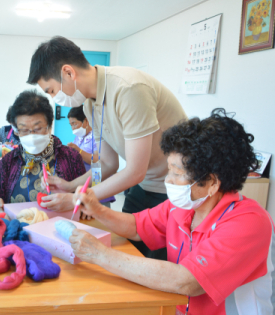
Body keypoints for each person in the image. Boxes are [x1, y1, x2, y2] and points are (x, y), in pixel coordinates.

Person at [69, 109, 274, 315]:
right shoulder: (184, 207)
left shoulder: (249, 222)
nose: (168, 180)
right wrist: (97, 210)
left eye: (177, 173)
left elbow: (188, 281)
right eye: (169, 170)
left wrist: (99, 254)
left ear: (212, 182)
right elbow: (136, 226)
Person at [27, 36, 187, 260]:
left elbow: (135, 170)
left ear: (69, 73)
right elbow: (108, 164)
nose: (54, 98)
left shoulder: (128, 89)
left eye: (51, 90)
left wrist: (77, 198)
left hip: (176, 191)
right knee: (130, 254)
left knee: (156, 266)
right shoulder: (91, 103)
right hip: (144, 186)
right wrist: (70, 186)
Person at [0, 90, 86, 212]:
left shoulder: (71, 157)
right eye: (24, 130)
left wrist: (83, 206)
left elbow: (85, 196)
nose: (31, 135)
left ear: (50, 124)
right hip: (18, 228)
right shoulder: (8, 162)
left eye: (37, 128)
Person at [67, 105, 114, 209]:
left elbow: (100, 160)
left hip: (97, 181)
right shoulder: (78, 138)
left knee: (99, 215)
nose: (73, 128)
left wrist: (79, 151)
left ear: (86, 121)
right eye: (71, 125)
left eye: (75, 124)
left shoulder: (98, 136)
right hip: (84, 183)